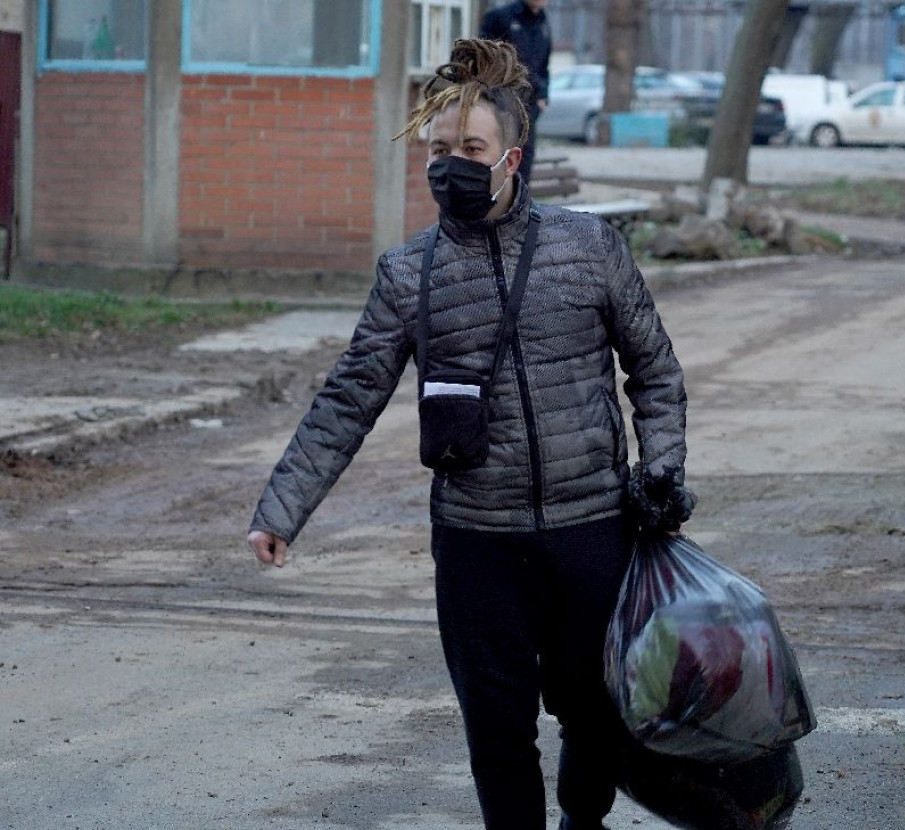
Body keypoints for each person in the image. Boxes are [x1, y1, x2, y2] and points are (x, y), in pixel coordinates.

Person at [247, 38, 695, 830]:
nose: (451, 164)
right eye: (439, 150)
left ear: (511, 159)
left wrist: (660, 472)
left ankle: (583, 822)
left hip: (591, 529)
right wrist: (283, 508)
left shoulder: (589, 248)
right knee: (496, 730)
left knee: (594, 712)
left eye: (471, 150)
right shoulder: (406, 274)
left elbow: (655, 372)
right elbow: (349, 399)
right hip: (475, 543)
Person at [479, 0, 551, 184]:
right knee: (497, 164)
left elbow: (543, 66)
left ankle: (520, 203)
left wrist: (543, 96)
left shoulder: (543, 22)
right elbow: (484, 59)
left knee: (523, 170)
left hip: (529, 111)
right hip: (502, 106)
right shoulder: (500, 17)